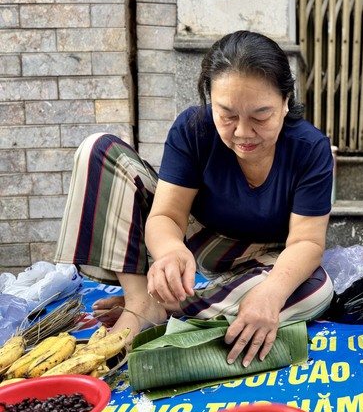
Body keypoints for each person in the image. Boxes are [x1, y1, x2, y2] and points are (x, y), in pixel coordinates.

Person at [54, 30, 335, 367]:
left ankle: (162, 307)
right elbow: (167, 217)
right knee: (98, 150)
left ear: (286, 101)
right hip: (195, 240)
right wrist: (170, 251)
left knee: (317, 289)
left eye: (261, 116)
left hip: (261, 259)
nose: (243, 133)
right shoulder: (193, 129)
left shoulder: (310, 149)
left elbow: (306, 241)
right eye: (227, 115)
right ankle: (139, 300)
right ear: (209, 101)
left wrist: (271, 294)